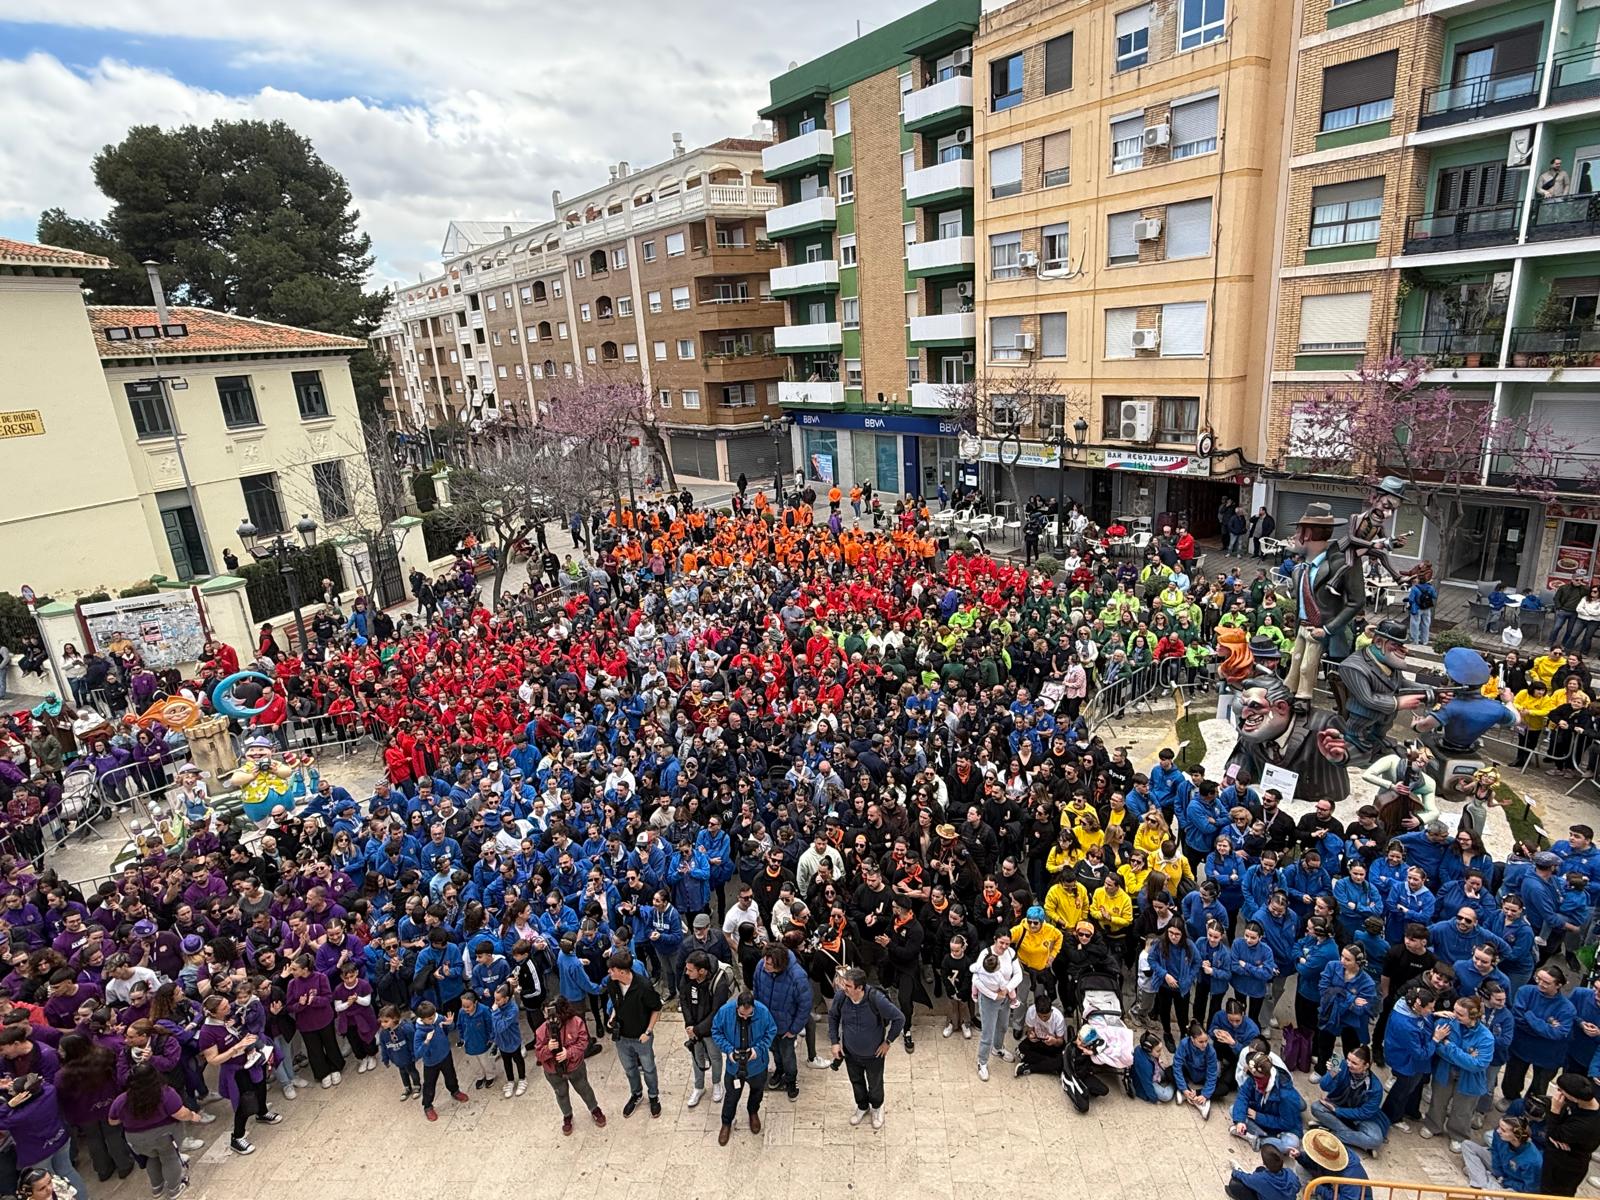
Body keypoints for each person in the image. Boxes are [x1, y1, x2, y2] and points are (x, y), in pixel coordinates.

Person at [107, 1063, 209, 1200]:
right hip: (164, 1136)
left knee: (152, 1158)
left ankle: (157, 1188)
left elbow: (112, 1121)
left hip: (136, 1140)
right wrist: (193, 1116)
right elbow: (181, 1114)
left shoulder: (122, 1099)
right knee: (169, 1158)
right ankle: (174, 1189)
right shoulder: (165, 1093)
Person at [827, 966, 904, 1130]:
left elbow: (899, 1018)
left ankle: (877, 1107)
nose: (844, 988)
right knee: (856, 1082)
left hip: (873, 1055)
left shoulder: (876, 999)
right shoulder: (841, 997)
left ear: (859, 988)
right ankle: (862, 1106)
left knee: (875, 1084)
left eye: (848, 986)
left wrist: (888, 1042)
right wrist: (835, 1041)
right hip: (850, 1053)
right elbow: (833, 1016)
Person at [532, 997, 605, 1136]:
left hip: (575, 1067)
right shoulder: (541, 1031)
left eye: (551, 1014)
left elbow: (583, 1042)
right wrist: (548, 1049)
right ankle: (567, 1115)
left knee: (584, 1088)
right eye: (546, 1014)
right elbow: (539, 1055)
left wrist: (568, 1053)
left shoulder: (576, 1022)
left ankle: (594, 1109)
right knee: (561, 1093)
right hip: (553, 1071)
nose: (548, 1018)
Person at [711, 989, 774, 1145]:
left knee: (757, 1092)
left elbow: (771, 1031)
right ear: (736, 1007)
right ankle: (726, 1123)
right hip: (734, 1067)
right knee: (731, 1097)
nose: (745, 1017)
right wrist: (728, 1050)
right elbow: (716, 1031)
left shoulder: (763, 1012)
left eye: (749, 1014)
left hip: (757, 1066)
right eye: (742, 1014)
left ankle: (753, 1112)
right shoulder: (725, 1012)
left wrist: (758, 1050)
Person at [603, 950, 662, 1118]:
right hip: (622, 1037)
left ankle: (653, 1096)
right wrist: (613, 1017)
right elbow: (616, 1004)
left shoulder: (643, 986)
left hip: (641, 1037)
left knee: (649, 1069)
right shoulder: (612, 983)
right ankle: (636, 1094)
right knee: (629, 1069)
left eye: (612, 969)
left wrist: (648, 1031)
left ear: (622, 971)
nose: (609, 972)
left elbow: (656, 1009)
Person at [1309, 1045, 1387, 1154]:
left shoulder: (1375, 1088)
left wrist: (1337, 1110)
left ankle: (1332, 1132)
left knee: (1375, 1139)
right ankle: (1356, 1139)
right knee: (1316, 1107)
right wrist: (1331, 1074)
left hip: (1360, 1117)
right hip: (1339, 1104)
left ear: (1366, 1066)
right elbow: (1324, 1086)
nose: (1349, 1064)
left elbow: (1364, 1113)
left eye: (1354, 1063)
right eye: (1348, 1059)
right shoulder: (1341, 1064)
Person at [1540, 1073, 1600, 1197]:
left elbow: (1553, 1133)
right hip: (1556, 1153)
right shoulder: (1578, 1103)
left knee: (1553, 1193)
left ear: (1574, 1098)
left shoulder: (1586, 1125)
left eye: (1561, 1091)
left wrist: (1555, 1110)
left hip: (1566, 1165)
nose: (1558, 1093)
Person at [411, 1001, 470, 1123]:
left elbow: (450, 1028)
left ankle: (455, 1091)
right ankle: (428, 1106)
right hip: (431, 1062)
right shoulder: (419, 1033)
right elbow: (417, 1054)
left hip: (445, 1055)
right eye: (429, 1018)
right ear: (422, 1019)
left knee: (451, 1075)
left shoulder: (439, 1018)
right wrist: (426, 1042)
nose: (433, 1019)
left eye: (434, 1016)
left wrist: (450, 1023)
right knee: (429, 1084)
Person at [1462, 1114, 1543, 1195]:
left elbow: (1530, 1189)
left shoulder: (1533, 1161)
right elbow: (1495, 1152)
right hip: (1500, 1168)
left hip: (1512, 1183)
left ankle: (1482, 1177)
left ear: (1516, 1136)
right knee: (1467, 1145)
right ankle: (1481, 1183)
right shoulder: (1498, 1134)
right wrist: (1498, 1173)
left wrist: (1506, 1182)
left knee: (1507, 1195)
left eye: (1503, 1130)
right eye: (1499, 1126)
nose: (1498, 1131)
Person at [1014, 994, 1068, 1078]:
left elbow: (1060, 1042)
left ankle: (1030, 1068)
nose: (1043, 1019)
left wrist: (1054, 1041)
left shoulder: (1058, 1018)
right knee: (1020, 1050)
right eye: (1040, 1016)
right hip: (1038, 1041)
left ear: (1051, 1011)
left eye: (1045, 1016)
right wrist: (1030, 1035)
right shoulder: (1031, 1011)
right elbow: (1029, 1030)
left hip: (1053, 1046)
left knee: (1061, 1061)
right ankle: (1049, 1064)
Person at [1226, 1141, 1298, 1200]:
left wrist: (1235, 1172)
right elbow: (1297, 1187)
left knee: (1234, 1184)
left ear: (1264, 1163)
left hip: (1261, 1184)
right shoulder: (1290, 1173)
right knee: (1260, 1169)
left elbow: (1245, 1178)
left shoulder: (1262, 1179)